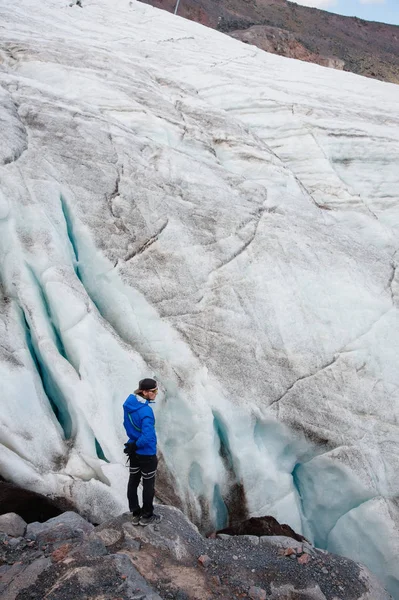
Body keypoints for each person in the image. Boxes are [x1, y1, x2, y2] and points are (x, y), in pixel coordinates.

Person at [123, 378, 161, 526]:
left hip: (134, 451)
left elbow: (127, 426)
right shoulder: (146, 411)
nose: (156, 394)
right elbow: (148, 436)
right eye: (153, 391)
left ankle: (135, 513)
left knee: (133, 481)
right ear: (145, 392)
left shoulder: (129, 405)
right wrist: (138, 445)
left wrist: (133, 445)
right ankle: (146, 516)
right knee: (148, 483)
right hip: (146, 453)